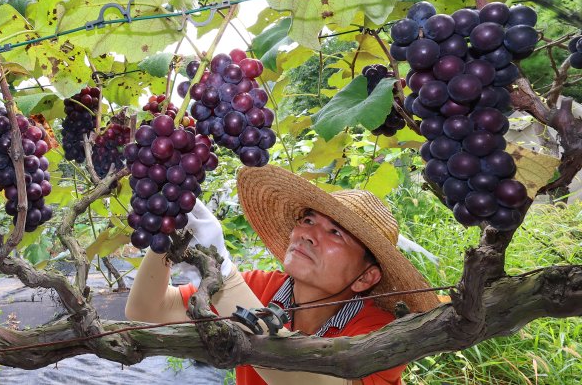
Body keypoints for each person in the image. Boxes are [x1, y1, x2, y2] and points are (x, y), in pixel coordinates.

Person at [125, 164, 440, 384]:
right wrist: (165, 235)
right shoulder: (260, 288)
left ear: (365, 278)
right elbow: (148, 310)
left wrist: (225, 276)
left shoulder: (381, 333)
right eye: (307, 220)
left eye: (335, 233)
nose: (308, 234)